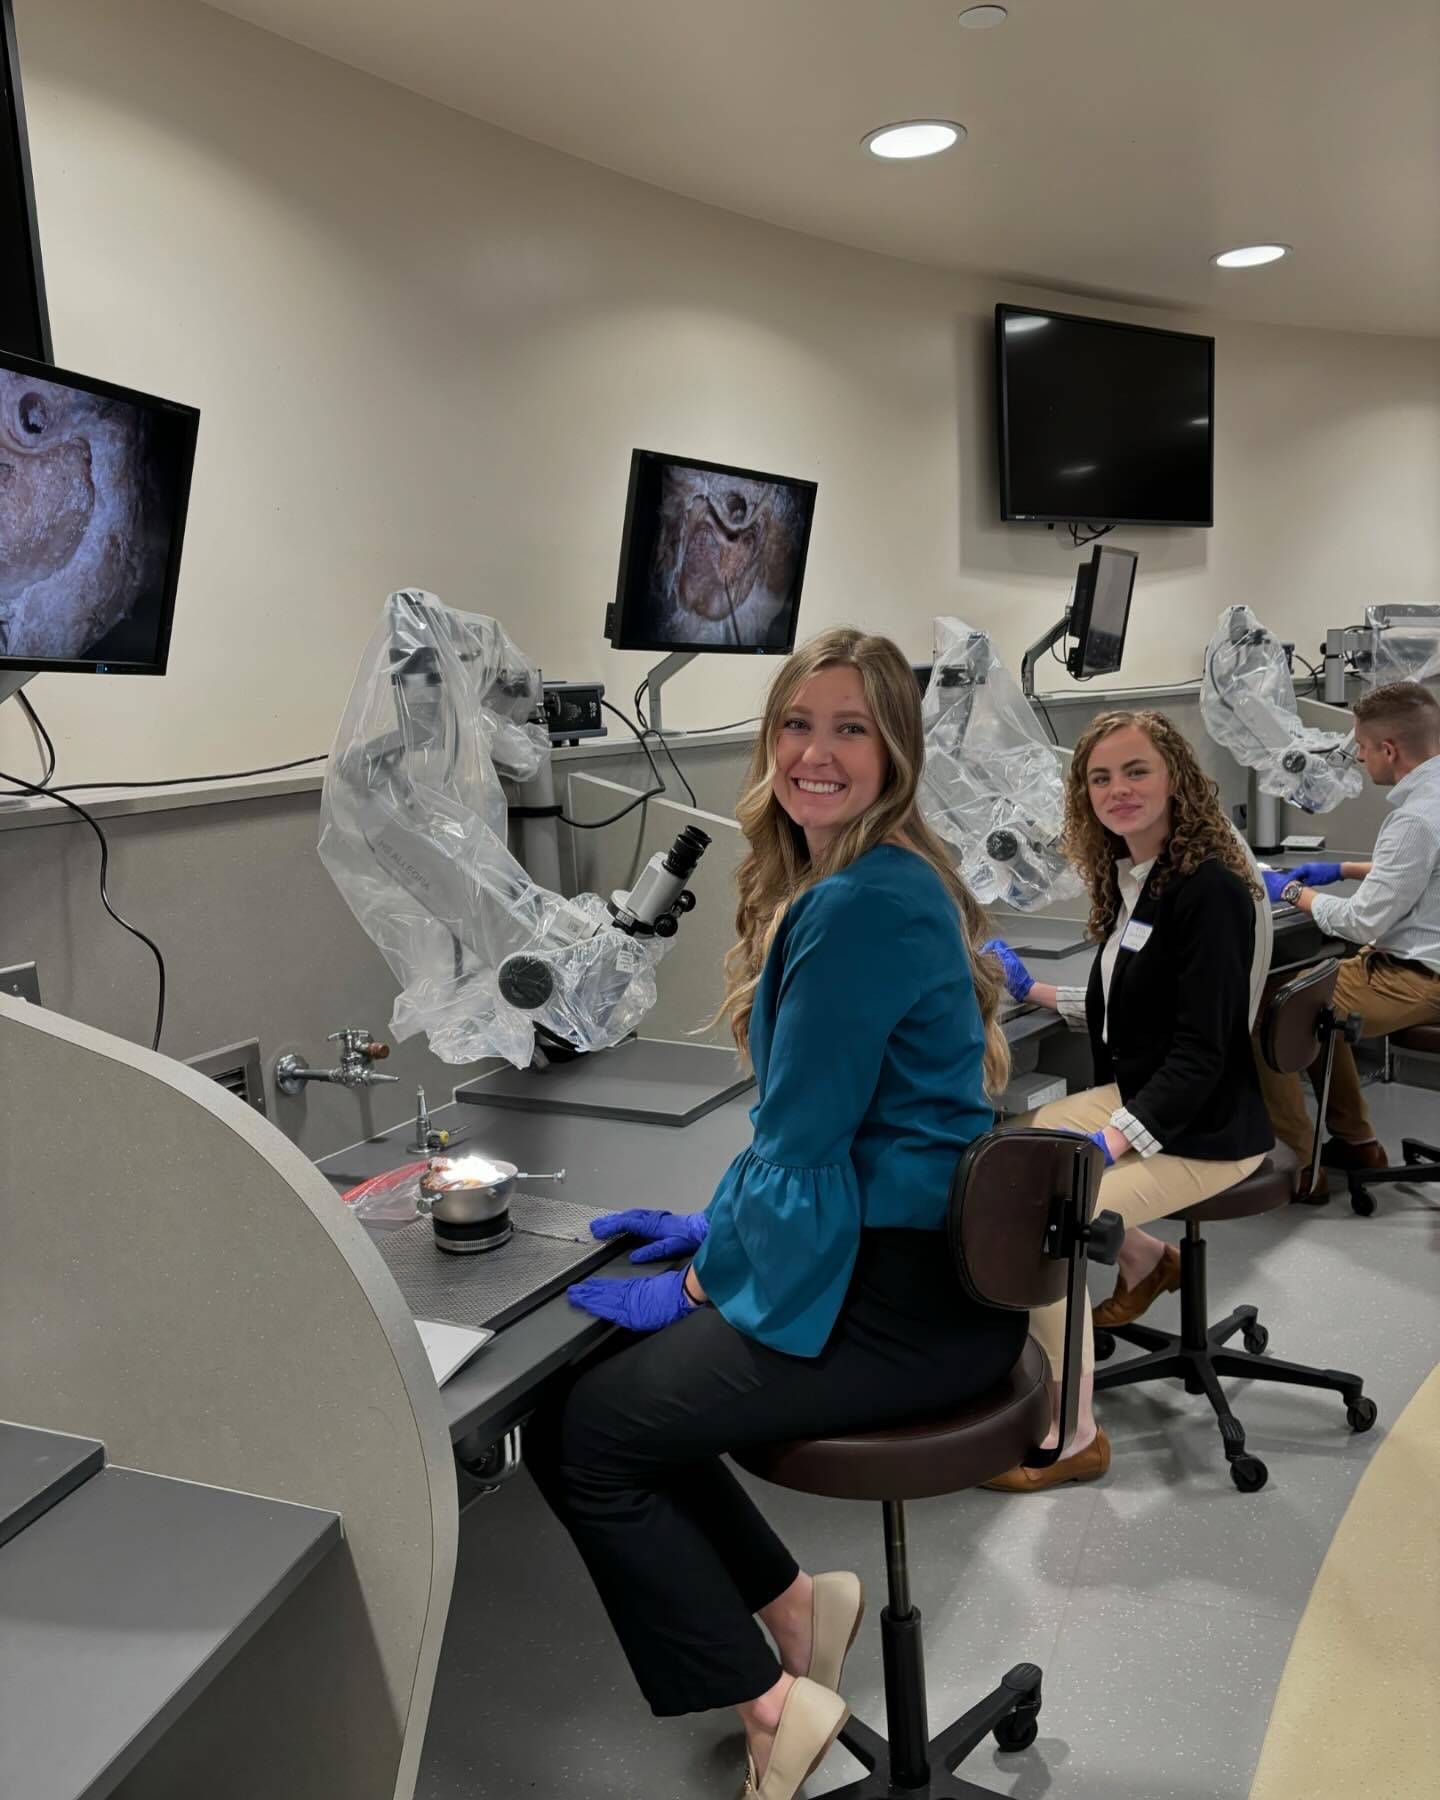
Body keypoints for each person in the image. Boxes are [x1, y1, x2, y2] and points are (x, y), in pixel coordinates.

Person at [523, 628, 1029, 1800]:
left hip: (907, 1309)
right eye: (798, 724)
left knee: (582, 1435)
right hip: (917, 1266)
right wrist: (717, 1230)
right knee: (611, 1403)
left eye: (852, 728)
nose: (816, 751)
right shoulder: (880, 879)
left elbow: (800, 1154)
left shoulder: (856, 906)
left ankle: (771, 1703)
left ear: (894, 750)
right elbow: (826, 1141)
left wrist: (701, 1282)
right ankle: (799, 1607)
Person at [980, 709, 1273, 1491]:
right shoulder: (1136, 876)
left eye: (1136, 770)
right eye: (1100, 778)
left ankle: (1073, 1436)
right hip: (1149, 1096)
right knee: (1004, 1154)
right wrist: (1032, 988)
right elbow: (1134, 1001)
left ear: (1175, 774)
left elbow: (1204, 1051)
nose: (1118, 790)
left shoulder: (1209, 889)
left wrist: (1111, 1142)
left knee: (1053, 1222)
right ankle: (1145, 1255)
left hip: (1206, 1127)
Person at [1252, 679, 1440, 1197]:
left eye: (1360, 746)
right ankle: (1357, 1143)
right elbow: (1418, 871)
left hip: (1418, 977)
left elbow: (1362, 924)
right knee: (1309, 989)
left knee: (1275, 1009)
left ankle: (1304, 1164)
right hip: (1422, 962)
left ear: (1388, 749)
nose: (1356, 757)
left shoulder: (1414, 819)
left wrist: (1289, 891)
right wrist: (1340, 869)